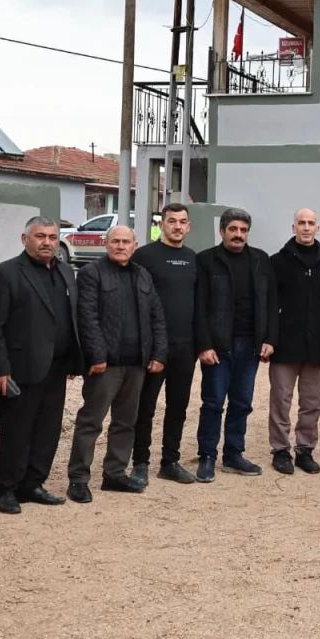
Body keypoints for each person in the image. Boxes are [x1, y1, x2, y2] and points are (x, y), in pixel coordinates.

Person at [0, 216, 84, 514]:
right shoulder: (5, 273)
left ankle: (32, 483)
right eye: (40, 236)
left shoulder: (66, 271)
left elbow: (70, 317)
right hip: (20, 367)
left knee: (47, 429)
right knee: (16, 430)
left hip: (56, 367)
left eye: (53, 237)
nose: (47, 243)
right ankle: (6, 488)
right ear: (24, 239)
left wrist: (74, 359)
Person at [65, 226, 167, 502]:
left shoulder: (142, 275)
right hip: (106, 365)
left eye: (126, 242)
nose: (121, 246)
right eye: (115, 241)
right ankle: (78, 478)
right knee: (91, 420)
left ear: (135, 245)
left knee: (125, 421)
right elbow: (87, 316)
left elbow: (157, 316)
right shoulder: (92, 273)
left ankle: (115, 473)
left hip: (137, 364)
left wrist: (159, 354)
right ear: (106, 244)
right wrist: (97, 356)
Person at [193, 208, 276, 482]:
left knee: (242, 403)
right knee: (213, 403)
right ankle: (207, 456)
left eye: (243, 230)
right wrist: (204, 345)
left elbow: (271, 303)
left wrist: (269, 339)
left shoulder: (261, 260)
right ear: (222, 231)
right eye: (233, 229)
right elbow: (199, 306)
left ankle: (233, 454)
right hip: (218, 346)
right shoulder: (206, 260)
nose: (238, 234)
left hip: (250, 346)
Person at [130, 203, 199, 485]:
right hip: (154, 347)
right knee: (145, 406)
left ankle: (170, 461)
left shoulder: (192, 258)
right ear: (162, 225)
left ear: (188, 226)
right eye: (171, 221)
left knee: (178, 407)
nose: (177, 226)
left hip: (186, 347)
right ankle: (140, 462)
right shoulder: (144, 256)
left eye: (182, 222)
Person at [269, 208, 320, 475]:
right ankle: (280, 450)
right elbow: (270, 304)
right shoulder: (277, 262)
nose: (306, 227)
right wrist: (269, 339)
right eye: (301, 223)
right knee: (280, 400)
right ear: (293, 227)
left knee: (311, 402)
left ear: (318, 228)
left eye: (311, 223)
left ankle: (305, 449)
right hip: (285, 344)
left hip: (316, 345)